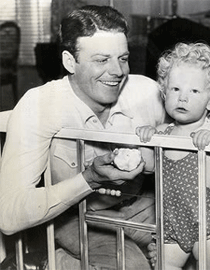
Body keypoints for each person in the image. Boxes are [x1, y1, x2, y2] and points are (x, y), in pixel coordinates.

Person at [0, 5, 167, 270]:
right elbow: (8, 215)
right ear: (70, 62)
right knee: (132, 266)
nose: (117, 72)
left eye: (122, 58)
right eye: (101, 60)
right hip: (76, 216)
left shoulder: (147, 92)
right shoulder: (39, 105)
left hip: (143, 206)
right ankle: (50, 263)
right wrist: (88, 180)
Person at [136, 42, 210, 270]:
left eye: (194, 91)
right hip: (172, 220)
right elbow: (148, 167)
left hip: (209, 221)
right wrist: (147, 139)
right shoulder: (164, 132)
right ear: (164, 92)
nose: (182, 98)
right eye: (175, 89)